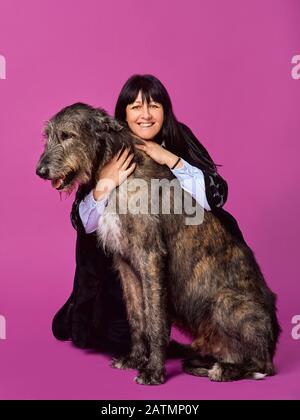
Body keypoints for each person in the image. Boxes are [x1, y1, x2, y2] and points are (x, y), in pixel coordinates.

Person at [52, 74, 244, 355]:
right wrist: (106, 180)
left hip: (177, 260)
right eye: (135, 107)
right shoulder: (106, 144)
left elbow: (216, 197)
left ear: (165, 112)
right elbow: (82, 224)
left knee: (224, 223)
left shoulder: (179, 138)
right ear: (123, 115)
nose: (145, 115)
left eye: (153, 106)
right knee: (113, 338)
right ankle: (81, 308)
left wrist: (169, 159)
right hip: (122, 267)